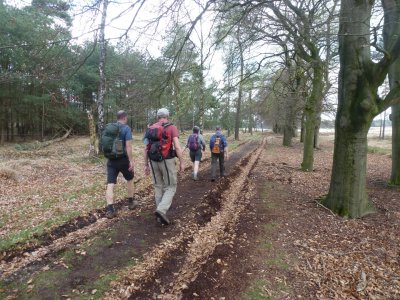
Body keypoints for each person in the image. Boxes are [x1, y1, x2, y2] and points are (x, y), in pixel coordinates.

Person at [144, 108, 185, 225]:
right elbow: (177, 146)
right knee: (171, 186)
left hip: (153, 161)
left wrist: (146, 164)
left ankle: (159, 215)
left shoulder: (150, 128)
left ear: (158, 117)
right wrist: (182, 162)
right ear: (168, 116)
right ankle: (161, 210)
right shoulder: (171, 127)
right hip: (167, 160)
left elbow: (145, 148)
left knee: (158, 186)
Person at [104, 110, 138, 219]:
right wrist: (131, 161)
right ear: (124, 118)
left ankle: (110, 210)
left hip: (111, 160)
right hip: (123, 159)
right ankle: (131, 203)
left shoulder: (110, 128)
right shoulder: (126, 128)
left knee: (110, 184)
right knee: (130, 179)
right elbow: (128, 146)